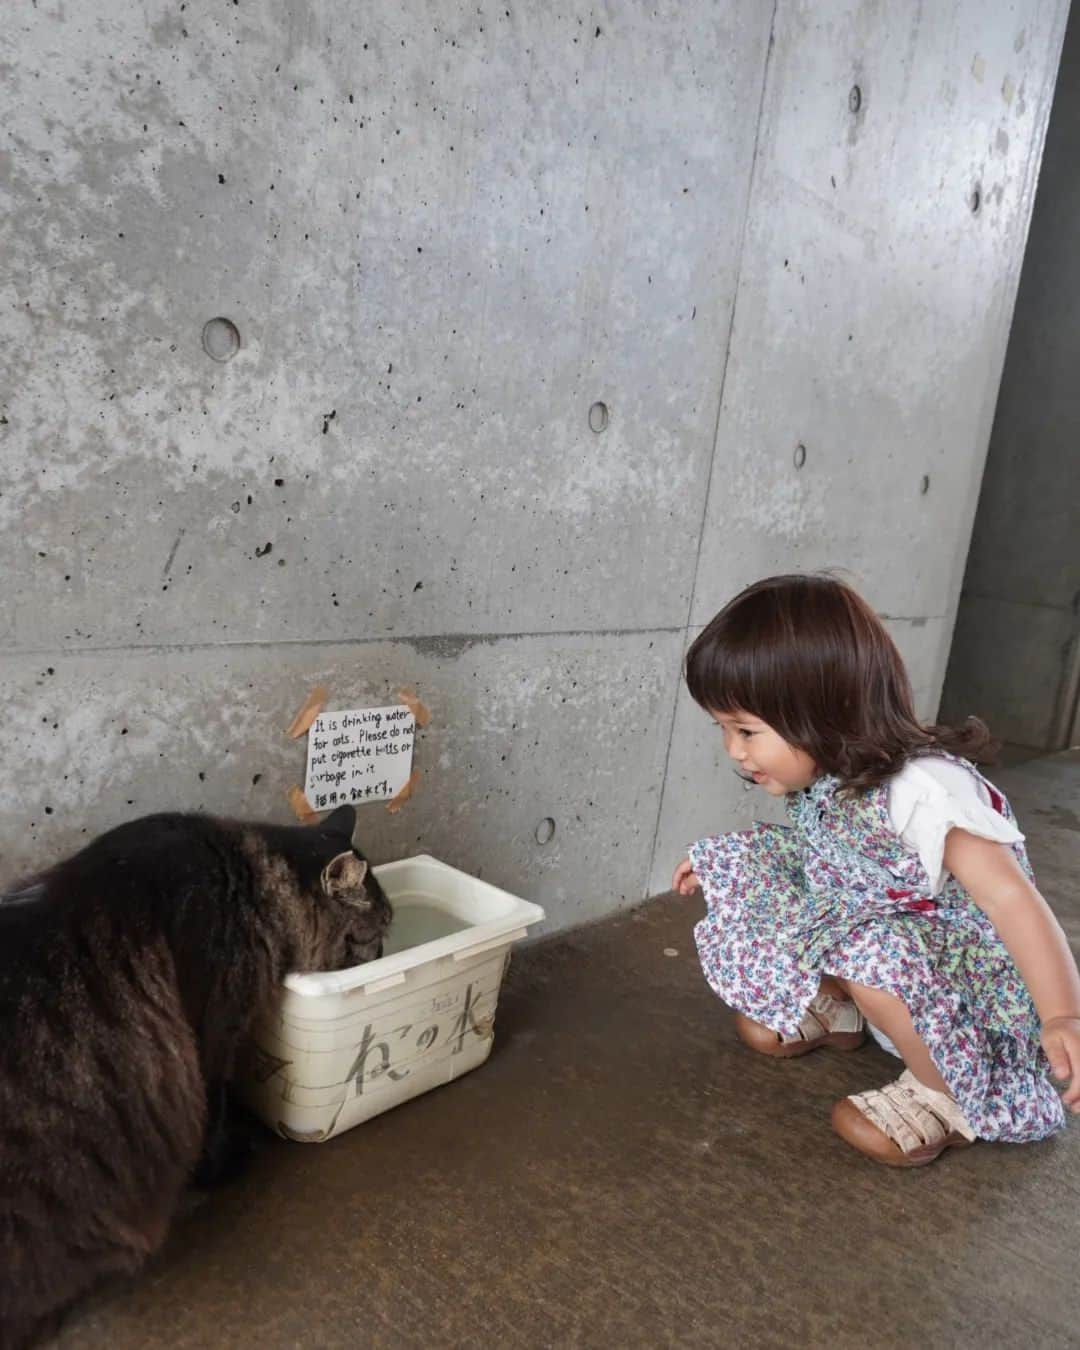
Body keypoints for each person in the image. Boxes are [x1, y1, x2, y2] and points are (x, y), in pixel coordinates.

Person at [671, 574, 1080, 1166]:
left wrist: (1063, 1013)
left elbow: (1012, 901)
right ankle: (841, 1009)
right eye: (725, 729)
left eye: (747, 730)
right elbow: (832, 864)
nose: (733, 750)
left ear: (823, 708)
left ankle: (948, 1092)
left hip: (964, 1001)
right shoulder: (830, 776)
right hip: (887, 948)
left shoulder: (925, 790)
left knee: (872, 944)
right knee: (752, 868)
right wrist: (726, 866)